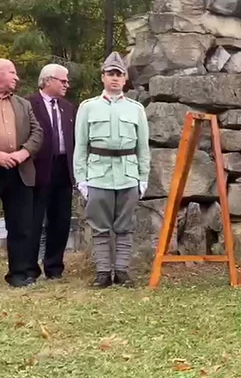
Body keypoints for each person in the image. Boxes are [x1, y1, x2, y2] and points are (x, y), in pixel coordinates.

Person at [74, 52, 150, 288]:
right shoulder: (88, 108)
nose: (115, 78)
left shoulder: (136, 109)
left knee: (125, 227)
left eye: (119, 74)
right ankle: (103, 272)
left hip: (128, 176)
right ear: (103, 77)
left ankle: (122, 271)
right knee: (100, 228)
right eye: (110, 74)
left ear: (125, 79)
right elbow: (81, 146)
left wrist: (143, 178)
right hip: (98, 175)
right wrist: (81, 179)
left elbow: (143, 147)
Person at [26, 64, 77, 280]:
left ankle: (54, 267)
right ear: (48, 80)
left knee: (61, 220)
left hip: (64, 169)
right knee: (34, 221)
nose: (67, 84)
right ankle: (29, 268)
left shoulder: (68, 107)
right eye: (62, 81)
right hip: (38, 170)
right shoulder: (28, 104)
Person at [0, 59, 44, 287]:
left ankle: (18, 274)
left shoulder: (23, 104)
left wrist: (22, 153)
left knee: (20, 225)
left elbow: (37, 133)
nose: (17, 78)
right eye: (12, 73)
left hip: (20, 170)